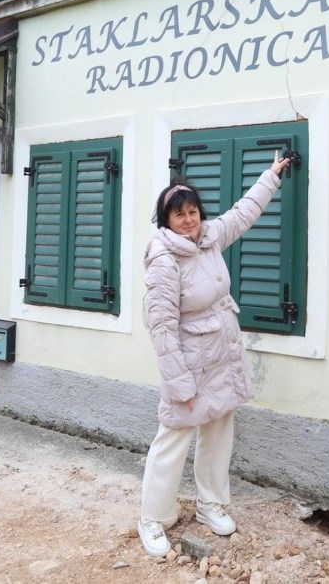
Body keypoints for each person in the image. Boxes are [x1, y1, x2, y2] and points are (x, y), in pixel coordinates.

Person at [137, 150, 295, 557]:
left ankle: (210, 503)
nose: (189, 220)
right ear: (166, 221)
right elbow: (162, 327)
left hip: (221, 356)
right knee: (173, 437)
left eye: (193, 211)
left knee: (219, 432)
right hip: (189, 364)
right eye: (179, 215)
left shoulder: (208, 239)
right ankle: (153, 517)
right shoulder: (164, 259)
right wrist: (178, 381)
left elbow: (243, 213)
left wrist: (271, 175)